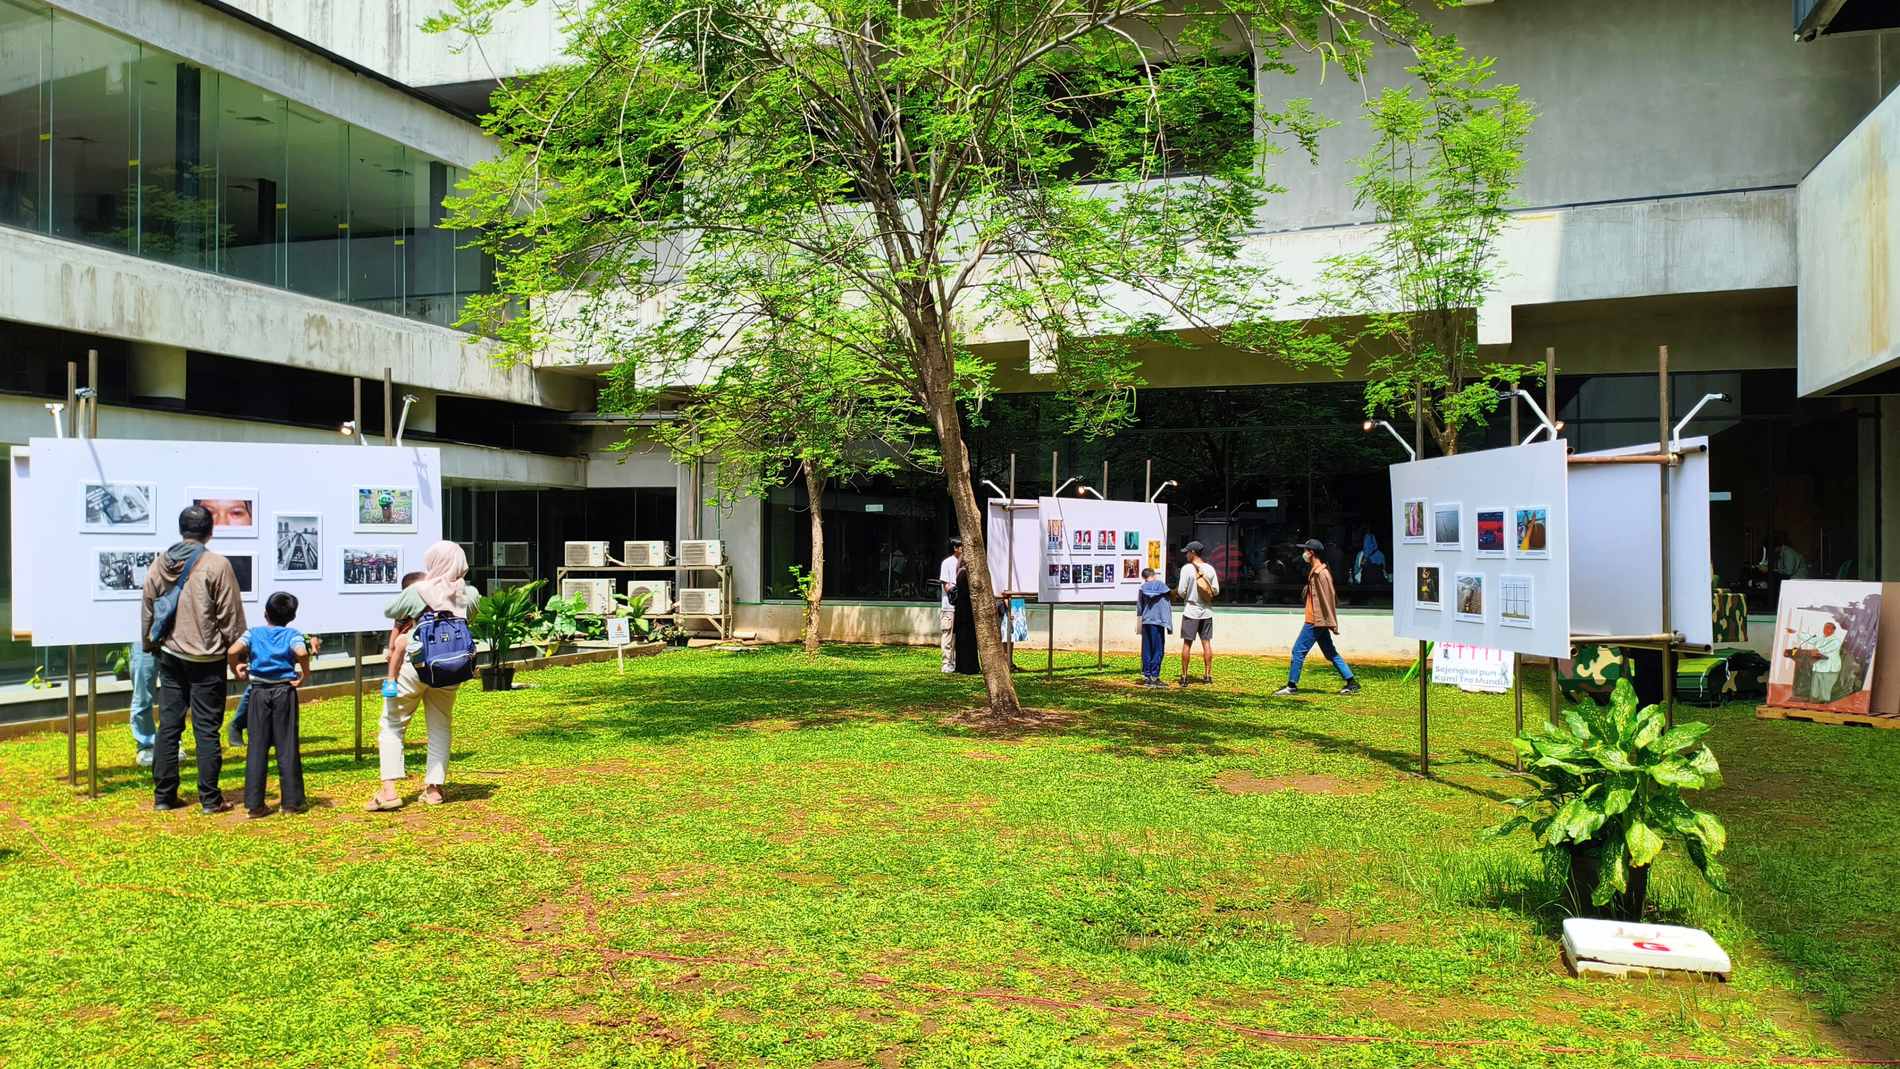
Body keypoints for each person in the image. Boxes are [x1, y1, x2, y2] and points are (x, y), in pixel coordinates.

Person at [141, 505, 247, 813]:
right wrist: (238, 654)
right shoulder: (217, 564)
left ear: (181, 530)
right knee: (206, 729)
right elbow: (230, 615)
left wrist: (150, 643)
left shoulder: (161, 562)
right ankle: (210, 800)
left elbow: (148, 604)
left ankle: (164, 797)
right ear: (210, 531)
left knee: (169, 726)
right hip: (207, 658)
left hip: (171, 654)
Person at [366, 543, 479, 811]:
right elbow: (469, 617)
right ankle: (434, 789)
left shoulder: (419, 590)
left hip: (414, 666)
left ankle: (389, 791)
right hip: (451, 667)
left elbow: (390, 610)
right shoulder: (470, 593)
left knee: (393, 724)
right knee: (440, 726)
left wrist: (423, 590)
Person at [228, 592, 310, 819]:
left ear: (265, 613)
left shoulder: (253, 633)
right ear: (293, 616)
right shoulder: (292, 634)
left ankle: (255, 806)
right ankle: (290, 804)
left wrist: (236, 667)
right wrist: (305, 673)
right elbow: (301, 652)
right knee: (287, 745)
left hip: (258, 693)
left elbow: (233, 650)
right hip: (285, 691)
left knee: (257, 746)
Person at [1274, 539, 1359, 696]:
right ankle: (1352, 683)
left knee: (1298, 651)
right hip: (1318, 620)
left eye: (1305, 550)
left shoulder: (1321, 573)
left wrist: (1331, 622)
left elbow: (1329, 598)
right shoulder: (1315, 572)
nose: (1303, 553)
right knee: (1330, 652)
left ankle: (1291, 686)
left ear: (1311, 552)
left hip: (1315, 620)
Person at [1176, 541, 1219, 687]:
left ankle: (1184, 676)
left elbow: (1181, 591)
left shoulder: (1187, 569)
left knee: (1187, 643)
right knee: (1206, 643)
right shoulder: (1210, 569)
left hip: (1191, 610)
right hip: (1206, 611)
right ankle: (1207, 676)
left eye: (1187, 552)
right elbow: (1216, 590)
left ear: (1193, 553)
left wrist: (1188, 594)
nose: (1186, 555)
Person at [1787, 621, 1844, 703]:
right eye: (1825, 628)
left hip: (1829, 669)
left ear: (1834, 630)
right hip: (1818, 667)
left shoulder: (1836, 641)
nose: (1826, 630)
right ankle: (1813, 702)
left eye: (1828, 629)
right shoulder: (1820, 639)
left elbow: (1829, 648)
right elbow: (1809, 638)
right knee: (1815, 691)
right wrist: (1796, 633)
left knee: (1825, 692)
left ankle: (1824, 707)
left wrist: (1819, 650)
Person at [1136, 567, 1172, 687]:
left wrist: (1139, 624)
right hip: (1159, 621)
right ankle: (1155, 677)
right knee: (1158, 649)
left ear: (1144, 579)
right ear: (1155, 576)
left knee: (1147, 648)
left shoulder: (1142, 588)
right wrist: (1169, 625)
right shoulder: (1164, 588)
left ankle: (1147, 676)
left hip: (1147, 621)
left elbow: (1140, 608)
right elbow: (1167, 606)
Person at [951, 557, 980, 675]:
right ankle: (968, 667)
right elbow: (968, 593)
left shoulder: (960, 573)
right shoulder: (964, 574)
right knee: (967, 641)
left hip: (963, 612)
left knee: (964, 641)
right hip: (966, 613)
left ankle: (963, 666)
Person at [939, 537, 963, 674]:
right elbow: (945, 583)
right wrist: (953, 594)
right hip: (949, 606)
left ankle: (956, 662)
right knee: (947, 635)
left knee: (957, 637)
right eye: (961, 546)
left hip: (960, 607)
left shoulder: (965, 563)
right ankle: (947, 663)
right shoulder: (947, 563)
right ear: (955, 548)